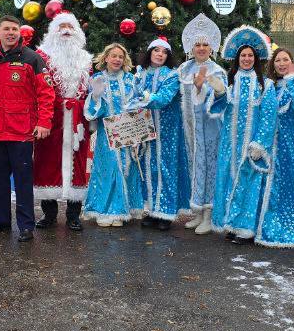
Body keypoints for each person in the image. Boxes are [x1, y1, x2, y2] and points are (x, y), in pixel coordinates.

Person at [0, 16, 54, 242]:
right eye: (6, 29)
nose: (10, 33)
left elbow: (46, 93)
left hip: (22, 130)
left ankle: (26, 225)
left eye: (14, 29)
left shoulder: (32, 58)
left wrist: (44, 122)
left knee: (22, 179)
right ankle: (1, 220)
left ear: (19, 33)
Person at [206, 25, 271, 240]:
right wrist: (218, 93)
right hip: (229, 144)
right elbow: (219, 108)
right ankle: (230, 223)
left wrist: (260, 144)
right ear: (237, 57)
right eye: (243, 55)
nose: (246, 59)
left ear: (256, 58)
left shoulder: (265, 85)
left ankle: (246, 228)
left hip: (251, 145)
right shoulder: (229, 81)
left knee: (249, 184)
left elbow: (269, 117)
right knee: (229, 180)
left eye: (250, 55)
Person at [33, 12, 92, 230]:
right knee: (47, 162)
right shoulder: (42, 57)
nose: (66, 30)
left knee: (77, 163)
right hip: (51, 118)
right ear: (53, 31)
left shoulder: (86, 60)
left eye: (70, 26)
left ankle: (73, 215)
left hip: (78, 120)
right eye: (61, 26)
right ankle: (49, 214)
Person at [253, 47, 294, 248]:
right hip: (268, 143)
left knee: (286, 185)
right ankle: (261, 227)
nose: (281, 64)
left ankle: (286, 228)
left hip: (288, 144)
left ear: (291, 62)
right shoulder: (267, 85)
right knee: (264, 184)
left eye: (285, 60)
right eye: (277, 60)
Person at [83, 43, 143, 227]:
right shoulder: (98, 79)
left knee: (126, 168)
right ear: (106, 58)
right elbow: (91, 113)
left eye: (120, 57)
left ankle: (121, 210)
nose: (117, 59)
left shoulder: (130, 80)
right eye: (114, 56)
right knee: (109, 168)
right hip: (107, 134)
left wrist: (137, 133)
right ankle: (106, 210)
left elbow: (138, 105)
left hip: (127, 132)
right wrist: (95, 97)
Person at [178, 14, 227, 234]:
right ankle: (197, 212)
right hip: (189, 129)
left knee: (208, 168)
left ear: (211, 47)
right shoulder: (183, 69)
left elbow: (221, 100)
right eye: (197, 44)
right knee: (193, 167)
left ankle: (209, 214)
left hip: (209, 130)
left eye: (205, 44)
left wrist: (203, 88)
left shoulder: (217, 71)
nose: (201, 48)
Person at [132, 38, 187, 230]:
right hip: (144, 130)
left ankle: (166, 213)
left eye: (164, 52)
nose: (160, 54)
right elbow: (132, 97)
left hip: (166, 131)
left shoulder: (172, 76)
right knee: (148, 170)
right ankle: (152, 211)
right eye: (156, 50)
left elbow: (163, 99)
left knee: (165, 169)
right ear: (150, 53)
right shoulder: (140, 73)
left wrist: (144, 97)